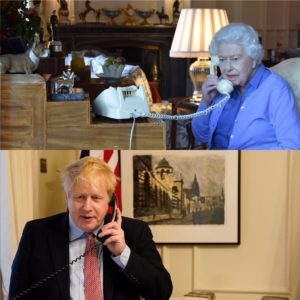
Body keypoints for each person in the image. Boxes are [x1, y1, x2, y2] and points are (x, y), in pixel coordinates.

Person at [9, 156, 173, 300]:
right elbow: (17, 294)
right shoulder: (37, 233)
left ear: (109, 200)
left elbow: (161, 292)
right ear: (67, 198)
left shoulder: (135, 232)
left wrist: (123, 253)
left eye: (96, 198)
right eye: (80, 197)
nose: (87, 207)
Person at [192, 23, 300, 149]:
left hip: (255, 166)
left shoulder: (277, 90)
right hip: (217, 163)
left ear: (254, 58)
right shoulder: (222, 85)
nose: (227, 68)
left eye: (235, 59)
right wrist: (206, 102)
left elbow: (292, 148)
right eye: (222, 59)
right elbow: (201, 136)